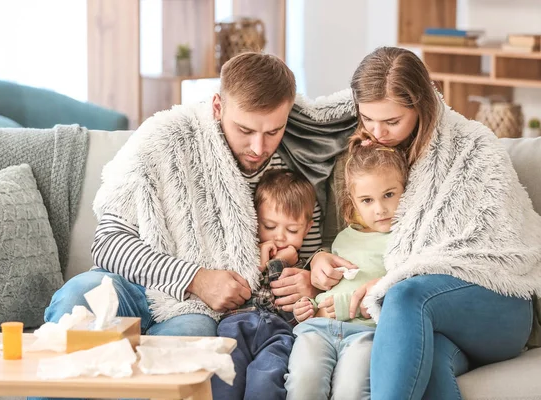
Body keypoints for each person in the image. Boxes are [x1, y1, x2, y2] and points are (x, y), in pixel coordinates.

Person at [309, 46, 541, 399]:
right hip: (435, 319)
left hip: (501, 302)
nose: (377, 131)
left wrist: (389, 281)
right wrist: (318, 257)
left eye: (391, 121)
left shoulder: (473, 149)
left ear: (421, 107)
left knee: (402, 296)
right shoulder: (367, 153)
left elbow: (498, 251)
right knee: (425, 361)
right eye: (368, 118)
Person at [41, 52, 322, 340]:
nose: (259, 147)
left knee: (192, 339)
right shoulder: (164, 140)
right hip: (130, 285)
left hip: (195, 310)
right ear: (217, 106)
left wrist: (309, 282)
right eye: (245, 130)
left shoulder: (292, 165)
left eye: (274, 131)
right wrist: (195, 279)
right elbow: (109, 244)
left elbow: (313, 253)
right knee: (77, 297)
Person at [285, 142, 408, 400]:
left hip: (366, 333)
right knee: (302, 385)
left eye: (389, 195)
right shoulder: (343, 238)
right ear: (353, 201)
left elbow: (400, 291)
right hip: (318, 328)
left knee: (350, 391)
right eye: (367, 200)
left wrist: (340, 305)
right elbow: (327, 287)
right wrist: (306, 305)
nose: (380, 209)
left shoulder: (404, 240)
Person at [212, 168, 317, 400]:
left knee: (266, 380)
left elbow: (292, 311)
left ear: (307, 229)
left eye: (292, 230)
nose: (279, 237)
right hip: (234, 327)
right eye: (269, 227)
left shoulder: (306, 269)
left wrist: (280, 263)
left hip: (278, 334)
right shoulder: (244, 254)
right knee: (224, 378)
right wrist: (260, 260)